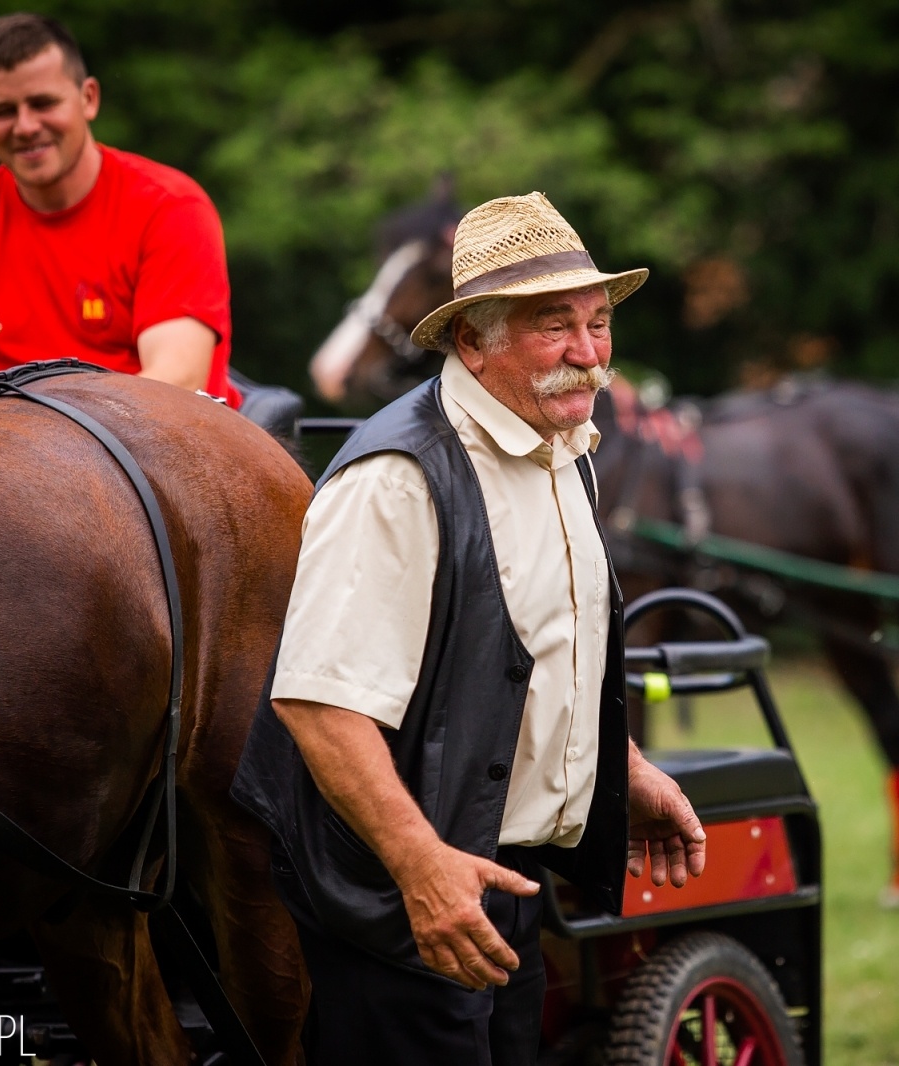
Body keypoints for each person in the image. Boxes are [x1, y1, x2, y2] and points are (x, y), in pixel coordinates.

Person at [231, 192, 706, 1065]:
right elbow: (318, 706)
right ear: (471, 340)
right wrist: (422, 869)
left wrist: (625, 767)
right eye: (553, 326)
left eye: (599, 323)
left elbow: (544, 655)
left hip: (499, 884)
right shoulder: (398, 478)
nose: (589, 354)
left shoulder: (564, 446)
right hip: (397, 902)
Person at [0, 13, 237, 408]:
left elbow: (174, 383)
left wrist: (12, 414)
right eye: (3, 110)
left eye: (43, 103)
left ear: (89, 98)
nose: (25, 126)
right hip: (11, 455)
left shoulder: (170, 207)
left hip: (161, 453)